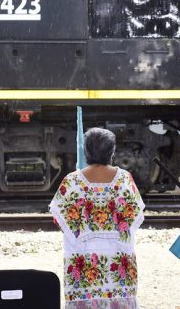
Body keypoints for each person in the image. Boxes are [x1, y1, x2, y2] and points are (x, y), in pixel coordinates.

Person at [50, 127, 145, 309]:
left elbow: (58, 219)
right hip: (119, 267)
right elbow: (136, 216)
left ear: (86, 151)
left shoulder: (71, 181)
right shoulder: (125, 179)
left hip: (84, 266)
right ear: (112, 151)